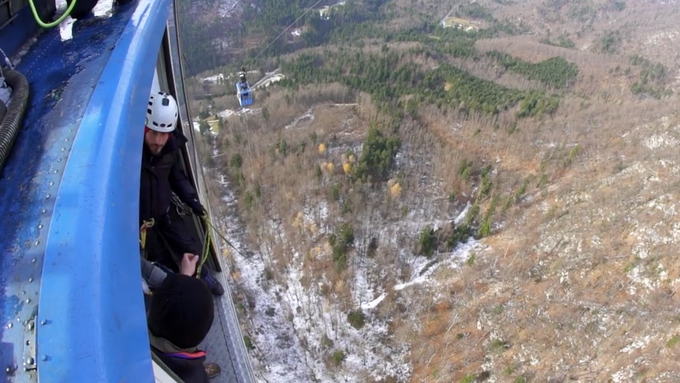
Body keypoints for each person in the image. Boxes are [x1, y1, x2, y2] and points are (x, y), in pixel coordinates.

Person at [140, 91, 224, 296]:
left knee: (189, 248)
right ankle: (179, 291)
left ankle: (202, 275)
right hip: (141, 222)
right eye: (154, 133)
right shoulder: (133, 155)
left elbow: (176, 176)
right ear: (144, 128)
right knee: (160, 260)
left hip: (164, 209)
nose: (159, 141)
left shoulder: (169, 148)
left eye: (164, 134)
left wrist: (193, 200)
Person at [142, 253, 222, 382]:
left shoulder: (134, 314)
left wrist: (183, 281)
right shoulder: (198, 379)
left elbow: (170, 303)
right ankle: (186, 364)